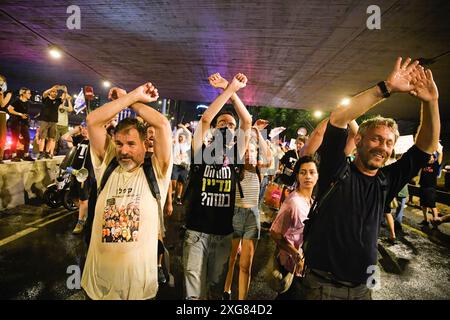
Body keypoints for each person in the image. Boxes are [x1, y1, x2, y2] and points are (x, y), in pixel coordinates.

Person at [301, 57, 440, 300]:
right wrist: (385, 88)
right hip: (322, 287)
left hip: (363, 290)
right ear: (358, 141)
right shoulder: (337, 169)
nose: (382, 147)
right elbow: (338, 118)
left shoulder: (387, 180)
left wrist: (431, 102)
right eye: (376, 139)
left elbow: (425, 147)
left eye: (388, 143)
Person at [81, 82, 172, 300]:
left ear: (144, 144)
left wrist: (133, 99)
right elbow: (93, 120)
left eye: (131, 144)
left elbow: (161, 124)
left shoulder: (157, 171)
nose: (124, 150)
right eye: (119, 144)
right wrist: (129, 96)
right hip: (97, 287)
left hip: (139, 290)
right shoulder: (107, 166)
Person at [182, 72, 251, 300]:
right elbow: (204, 120)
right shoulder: (201, 152)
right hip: (196, 232)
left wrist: (231, 92)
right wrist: (228, 89)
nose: (226, 127)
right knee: (194, 294)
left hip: (222, 234)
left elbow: (247, 121)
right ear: (214, 130)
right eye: (221, 123)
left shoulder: (236, 154)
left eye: (231, 125)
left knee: (214, 288)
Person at [223, 123, 272, 300]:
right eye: (246, 151)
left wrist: (259, 135)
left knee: (246, 265)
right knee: (230, 260)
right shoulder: (234, 169)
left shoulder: (260, 169)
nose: (249, 154)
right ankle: (226, 290)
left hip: (253, 217)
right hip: (234, 215)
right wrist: (246, 132)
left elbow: (270, 158)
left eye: (252, 151)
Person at [270, 156, 319, 299]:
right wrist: (295, 254)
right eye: (303, 172)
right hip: (291, 266)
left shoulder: (313, 200)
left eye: (312, 172)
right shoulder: (293, 203)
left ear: (317, 175)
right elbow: (275, 233)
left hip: (305, 267)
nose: (308, 176)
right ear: (297, 176)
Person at [62, 122, 91, 234]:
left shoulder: (94, 141)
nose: (84, 130)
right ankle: (86, 214)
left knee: (83, 199)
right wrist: (74, 130)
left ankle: (81, 222)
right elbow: (64, 137)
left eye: (86, 128)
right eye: (83, 127)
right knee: (73, 196)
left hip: (85, 174)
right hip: (75, 172)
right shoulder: (79, 139)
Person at [37, 85, 68, 159]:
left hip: (53, 121)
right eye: (53, 92)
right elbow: (44, 93)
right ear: (50, 93)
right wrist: (52, 88)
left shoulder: (57, 101)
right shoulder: (45, 98)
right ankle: (41, 153)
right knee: (42, 137)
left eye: (55, 92)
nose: (54, 93)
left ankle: (47, 152)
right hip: (44, 120)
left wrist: (65, 90)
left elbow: (63, 98)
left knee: (51, 138)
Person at [7, 87, 34, 161]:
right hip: (15, 122)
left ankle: (26, 155)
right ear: (23, 93)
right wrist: (20, 114)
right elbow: (9, 109)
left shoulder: (28, 103)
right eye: (28, 93)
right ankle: (13, 156)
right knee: (15, 139)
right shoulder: (16, 101)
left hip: (24, 123)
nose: (30, 95)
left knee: (27, 139)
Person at [418, 150, 443, 226]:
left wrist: (438, 149)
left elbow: (440, 155)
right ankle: (425, 221)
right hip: (423, 187)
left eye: (431, 156)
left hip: (430, 188)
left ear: (434, 158)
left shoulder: (436, 165)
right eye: (429, 156)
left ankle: (436, 222)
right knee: (423, 205)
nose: (429, 157)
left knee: (432, 206)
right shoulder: (424, 164)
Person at [171, 123, 192, 205]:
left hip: (184, 165)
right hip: (175, 165)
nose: (180, 137)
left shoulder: (188, 144)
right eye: (180, 136)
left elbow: (189, 134)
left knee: (181, 183)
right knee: (173, 181)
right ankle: (173, 193)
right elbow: (176, 133)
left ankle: (178, 197)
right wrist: (182, 128)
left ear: (185, 138)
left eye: (182, 136)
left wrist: (184, 127)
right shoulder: (176, 144)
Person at [0, 74, 12, 164]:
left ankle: (0, 156)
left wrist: (1, 93)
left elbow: (2, 104)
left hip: (1, 114)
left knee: (1, 136)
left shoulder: (8, 92)